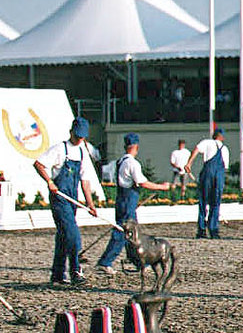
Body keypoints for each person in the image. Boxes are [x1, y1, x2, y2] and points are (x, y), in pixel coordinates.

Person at [33, 117, 97, 286]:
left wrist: (90, 204)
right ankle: (76, 271)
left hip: (72, 199)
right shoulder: (59, 149)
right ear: (71, 133)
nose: (79, 140)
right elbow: (39, 164)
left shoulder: (83, 153)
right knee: (72, 235)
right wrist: (50, 181)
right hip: (59, 198)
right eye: (77, 136)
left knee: (63, 236)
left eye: (82, 137)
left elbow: (85, 181)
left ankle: (57, 274)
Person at [95, 133, 171, 275]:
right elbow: (142, 182)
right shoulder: (132, 163)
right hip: (128, 201)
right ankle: (105, 262)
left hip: (122, 199)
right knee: (123, 233)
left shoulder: (120, 161)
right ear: (136, 147)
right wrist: (162, 187)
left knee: (131, 234)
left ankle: (137, 261)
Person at [185, 128, 229, 239]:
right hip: (219, 174)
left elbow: (196, 150)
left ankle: (202, 229)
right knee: (216, 202)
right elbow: (225, 168)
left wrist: (189, 163)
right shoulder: (225, 149)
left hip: (208, 173)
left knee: (203, 201)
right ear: (221, 137)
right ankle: (213, 230)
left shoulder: (207, 142)